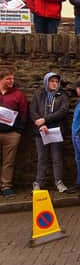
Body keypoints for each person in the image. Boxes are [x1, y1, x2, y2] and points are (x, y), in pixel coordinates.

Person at [30, 72, 70, 193]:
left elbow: (63, 111)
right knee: (42, 158)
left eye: (56, 81)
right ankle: (38, 182)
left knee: (57, 158)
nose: (54, 83)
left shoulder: (62, 95)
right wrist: (41, 124)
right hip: (41, 132)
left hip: (56, 131)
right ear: (46, 82)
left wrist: (46, 119)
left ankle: (59, 182)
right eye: (52, 81)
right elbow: (33, 110)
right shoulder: (38, 94)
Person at [0, 69, 27, 197]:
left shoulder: (18, 95)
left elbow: (23, 114)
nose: (11, 81)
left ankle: (6, 186)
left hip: (11, 134)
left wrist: (18, 131)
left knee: (8, 162)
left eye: (12, 79)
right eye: (8, 79)